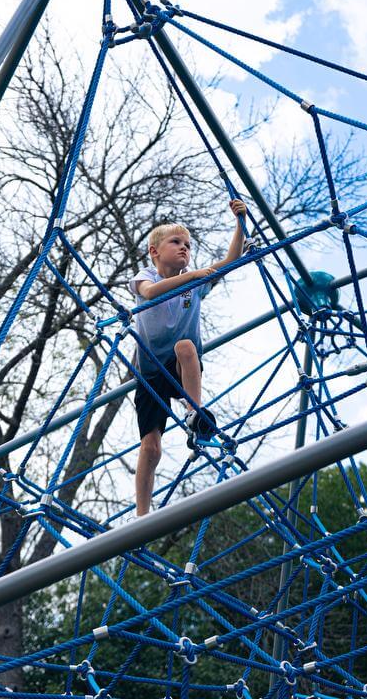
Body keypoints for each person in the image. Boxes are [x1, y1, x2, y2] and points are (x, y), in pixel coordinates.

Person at [129, 199, 247, 515]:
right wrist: (193, 276)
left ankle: (194, 413)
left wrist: (239, 222)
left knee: (186, 347)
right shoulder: (145, 276)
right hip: (151, 372)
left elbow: (230, 260)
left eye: (188, 245)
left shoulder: (194, 284)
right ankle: (142, 513)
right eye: (176, 242)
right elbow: (150, 294)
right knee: (151, 448)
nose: (185, 249)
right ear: (154, 252)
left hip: (182, 366)